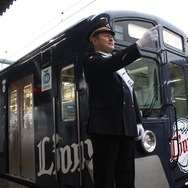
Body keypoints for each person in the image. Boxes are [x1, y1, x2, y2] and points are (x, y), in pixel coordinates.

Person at [83, 17, 159, 188]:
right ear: (94, 40)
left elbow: (130, 93)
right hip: (106, 128)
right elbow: (111, 63)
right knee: (105, 177)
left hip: (126, 127)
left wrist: (138, 121)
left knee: (126, 174)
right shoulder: (91, 61)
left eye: (112, 35)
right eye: (105, 35)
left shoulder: (119, 67)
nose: (111, 38)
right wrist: (138, 45)